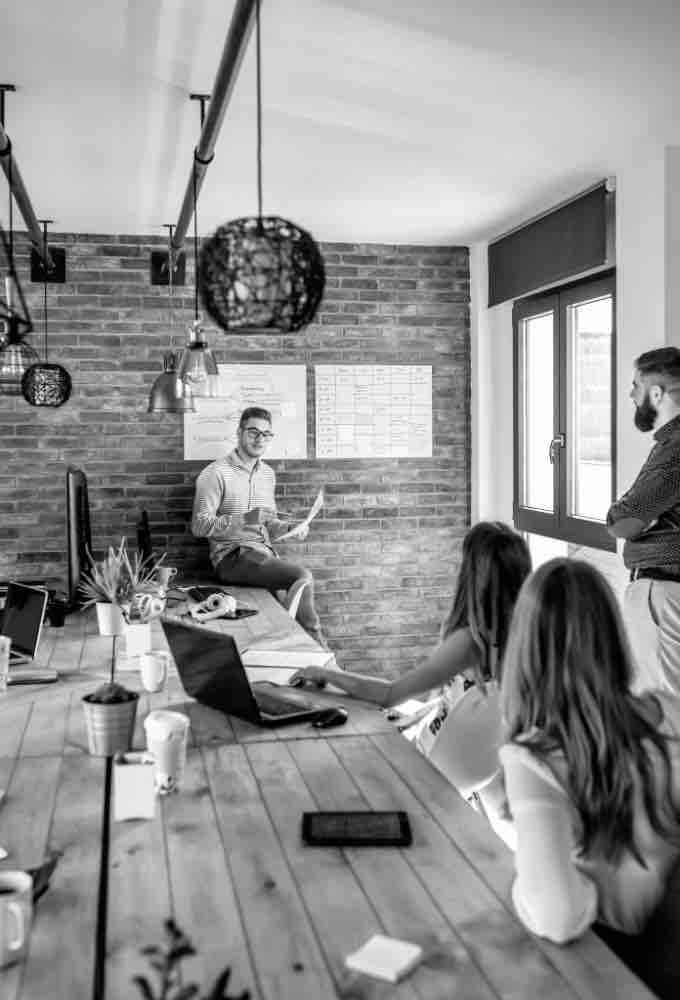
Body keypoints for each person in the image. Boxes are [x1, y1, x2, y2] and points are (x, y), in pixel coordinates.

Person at [500, 558, 680, 947]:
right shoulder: (671, 713)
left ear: (526, 647)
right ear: (614, 635)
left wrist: (524, 887)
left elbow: (558, 917)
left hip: (618, 963)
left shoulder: (535, 759)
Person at [290, 522, 531, 810]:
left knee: (318, 755)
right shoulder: (527, 641)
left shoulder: (468, 643)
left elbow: (390, 694)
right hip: (458, 778)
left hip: (421, 770)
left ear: (473, 577)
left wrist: (328, 673)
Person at [191, 406, 329, 650]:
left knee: (292, 600)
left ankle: (301, 652)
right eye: (253, 432)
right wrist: (245, 518)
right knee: (302, 577)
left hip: (263, 554)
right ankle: (321, 648)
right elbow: (200, 526)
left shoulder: (268, 474)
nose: (259, 439)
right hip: (232, 556)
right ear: (240, 432)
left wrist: (289, 528)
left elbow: (267, 523)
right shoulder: (215, 473)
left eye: (266, 434)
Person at [606, 346, 680, 693]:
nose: (630, 394)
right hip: (664, 592)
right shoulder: (667, 445)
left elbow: (625, 521)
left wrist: (624, 513)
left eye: (636, 385)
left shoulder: (675, 448)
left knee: (663, 710)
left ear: (657, 393)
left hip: (662, 594)